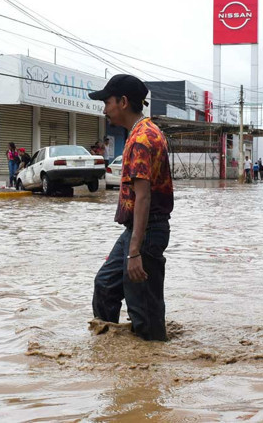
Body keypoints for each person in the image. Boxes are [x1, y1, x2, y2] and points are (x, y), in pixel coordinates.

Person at [88, 74, 173, 341]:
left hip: (145, 232)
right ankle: (110, 350)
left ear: (123, 102)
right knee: (105, 285)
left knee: (143, 309)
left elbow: (143, 197)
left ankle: (151, 358)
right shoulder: (141, 132)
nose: (104, 109)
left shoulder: (142, 139)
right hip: (136, 230)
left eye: (107, 102)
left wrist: (134, 252)